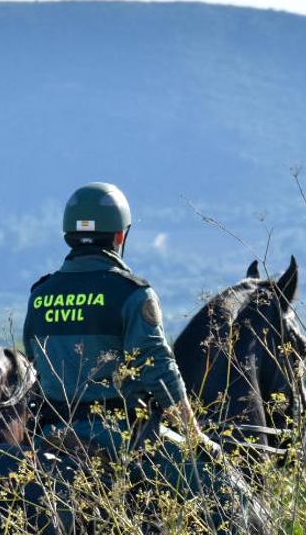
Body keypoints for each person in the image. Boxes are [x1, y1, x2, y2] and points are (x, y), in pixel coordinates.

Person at [22, 182, 219, 459]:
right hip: (120, 436)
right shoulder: (133, 293)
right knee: (216, 476)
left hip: (50, 435)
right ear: (120, 236)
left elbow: (34, 363)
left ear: (69, 235)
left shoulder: (39, 294)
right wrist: (194, 435)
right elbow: (159, 369)